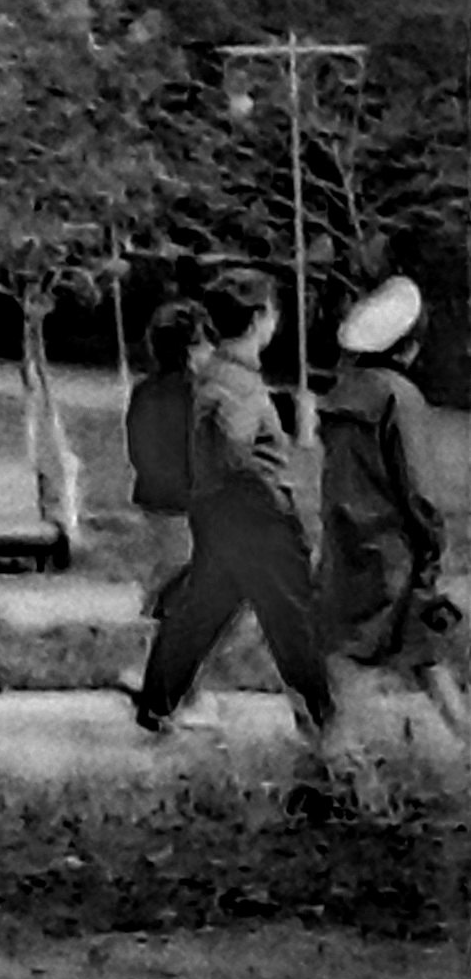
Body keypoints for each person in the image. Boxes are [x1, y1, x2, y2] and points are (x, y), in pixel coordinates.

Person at [125, 268, 337, 744]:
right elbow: (234, 445)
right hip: (257, 515)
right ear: (260, 318)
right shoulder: (238, 382)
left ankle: (157, 702)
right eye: (273, 312)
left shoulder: (217, 372)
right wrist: (274, 499)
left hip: (218, 512)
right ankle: (325, 722)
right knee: (294, 617)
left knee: (202, 607)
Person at [316, 277, 469, 742]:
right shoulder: (400, 399)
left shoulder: (341, 395)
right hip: (395, 549)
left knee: (364, 648)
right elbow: (418, 488)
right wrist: (433, 543)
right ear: (409, 347)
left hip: (345, 542)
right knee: (398, 650)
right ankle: (344, 754)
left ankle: (340, 747)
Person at [124, 299, 209, 620]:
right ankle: (155, 619)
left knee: (173, 562)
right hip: (187, 495)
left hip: (154, 493)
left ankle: (159, 616)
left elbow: (137, 443)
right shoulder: (196, 394)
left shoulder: (145, 390)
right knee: (180, 567)